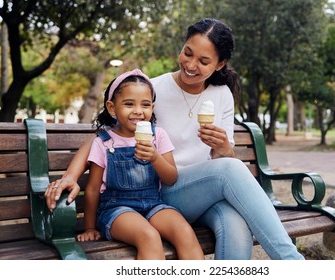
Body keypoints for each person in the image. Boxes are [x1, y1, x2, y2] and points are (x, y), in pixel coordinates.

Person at [45, 18, 304, 260]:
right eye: (188, 53)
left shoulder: (222, 94)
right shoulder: (152, 90)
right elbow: (104, 138)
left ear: (220, 65)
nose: (191, 65)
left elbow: (220, 162)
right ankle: (293, 263)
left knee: (236, 226)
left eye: (203, 61)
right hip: (160, 189)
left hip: (201, 194)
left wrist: (224, 148)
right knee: (231, 168)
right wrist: (71, 175)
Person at [75, 69, 204, 260]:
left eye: (145, 105)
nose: (138, 111)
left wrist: (155, 158)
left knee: (184, 231)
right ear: (112, 108)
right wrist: (90, 228)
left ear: (152, 107)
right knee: (149, 236)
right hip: (116, 210)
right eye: (129, 104)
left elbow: (171, 178)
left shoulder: (157, 136)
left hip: (153, 205)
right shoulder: (104, 142)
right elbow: (93, 189)